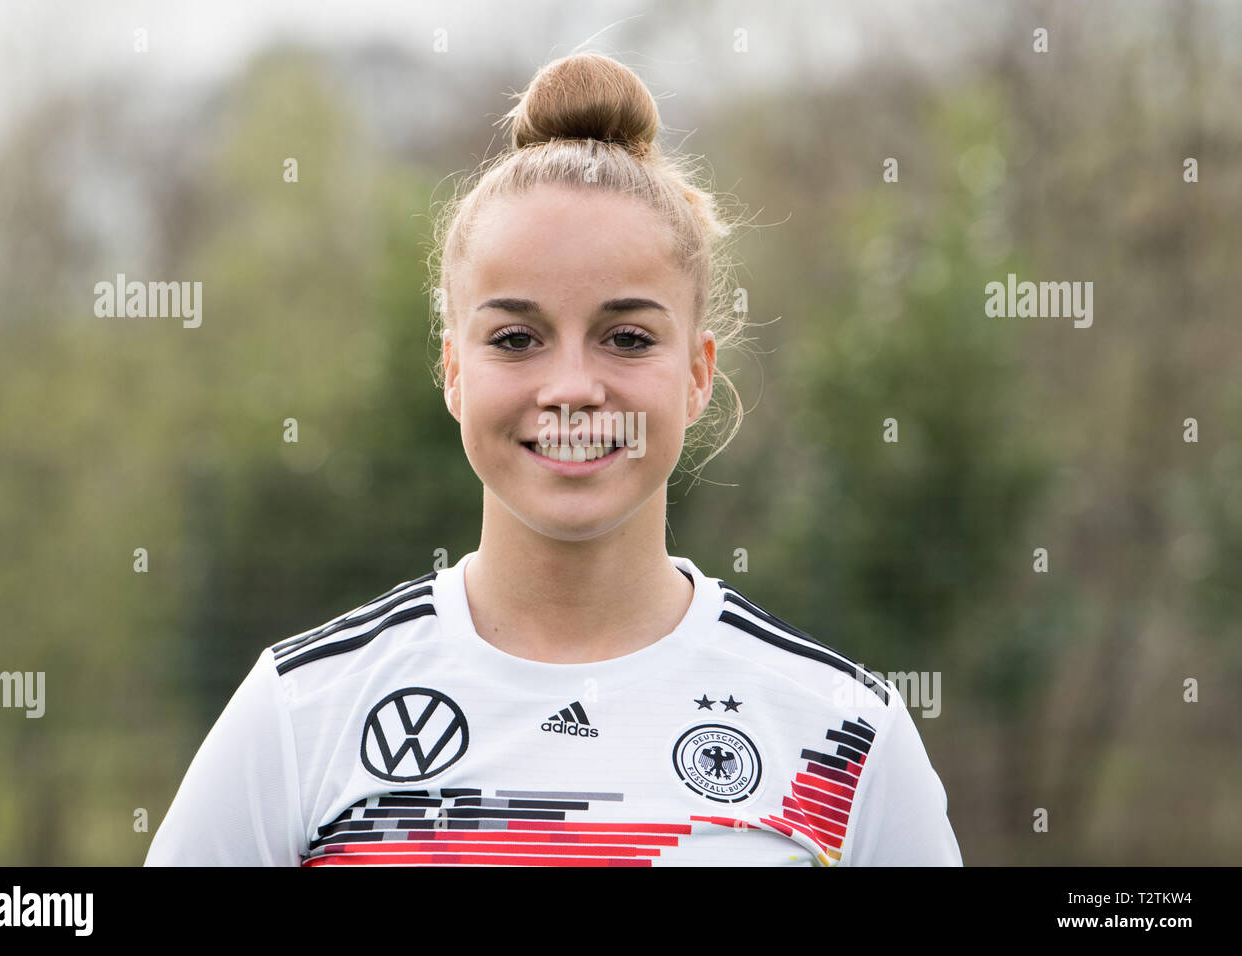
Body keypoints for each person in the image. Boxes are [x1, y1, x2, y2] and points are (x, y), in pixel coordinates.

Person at [145, 51, 961, 867]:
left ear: (698, 375)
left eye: (628, 338)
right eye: (516, 339)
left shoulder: (845, 737)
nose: (572, 386)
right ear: (454, 373)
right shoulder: (301, 714)